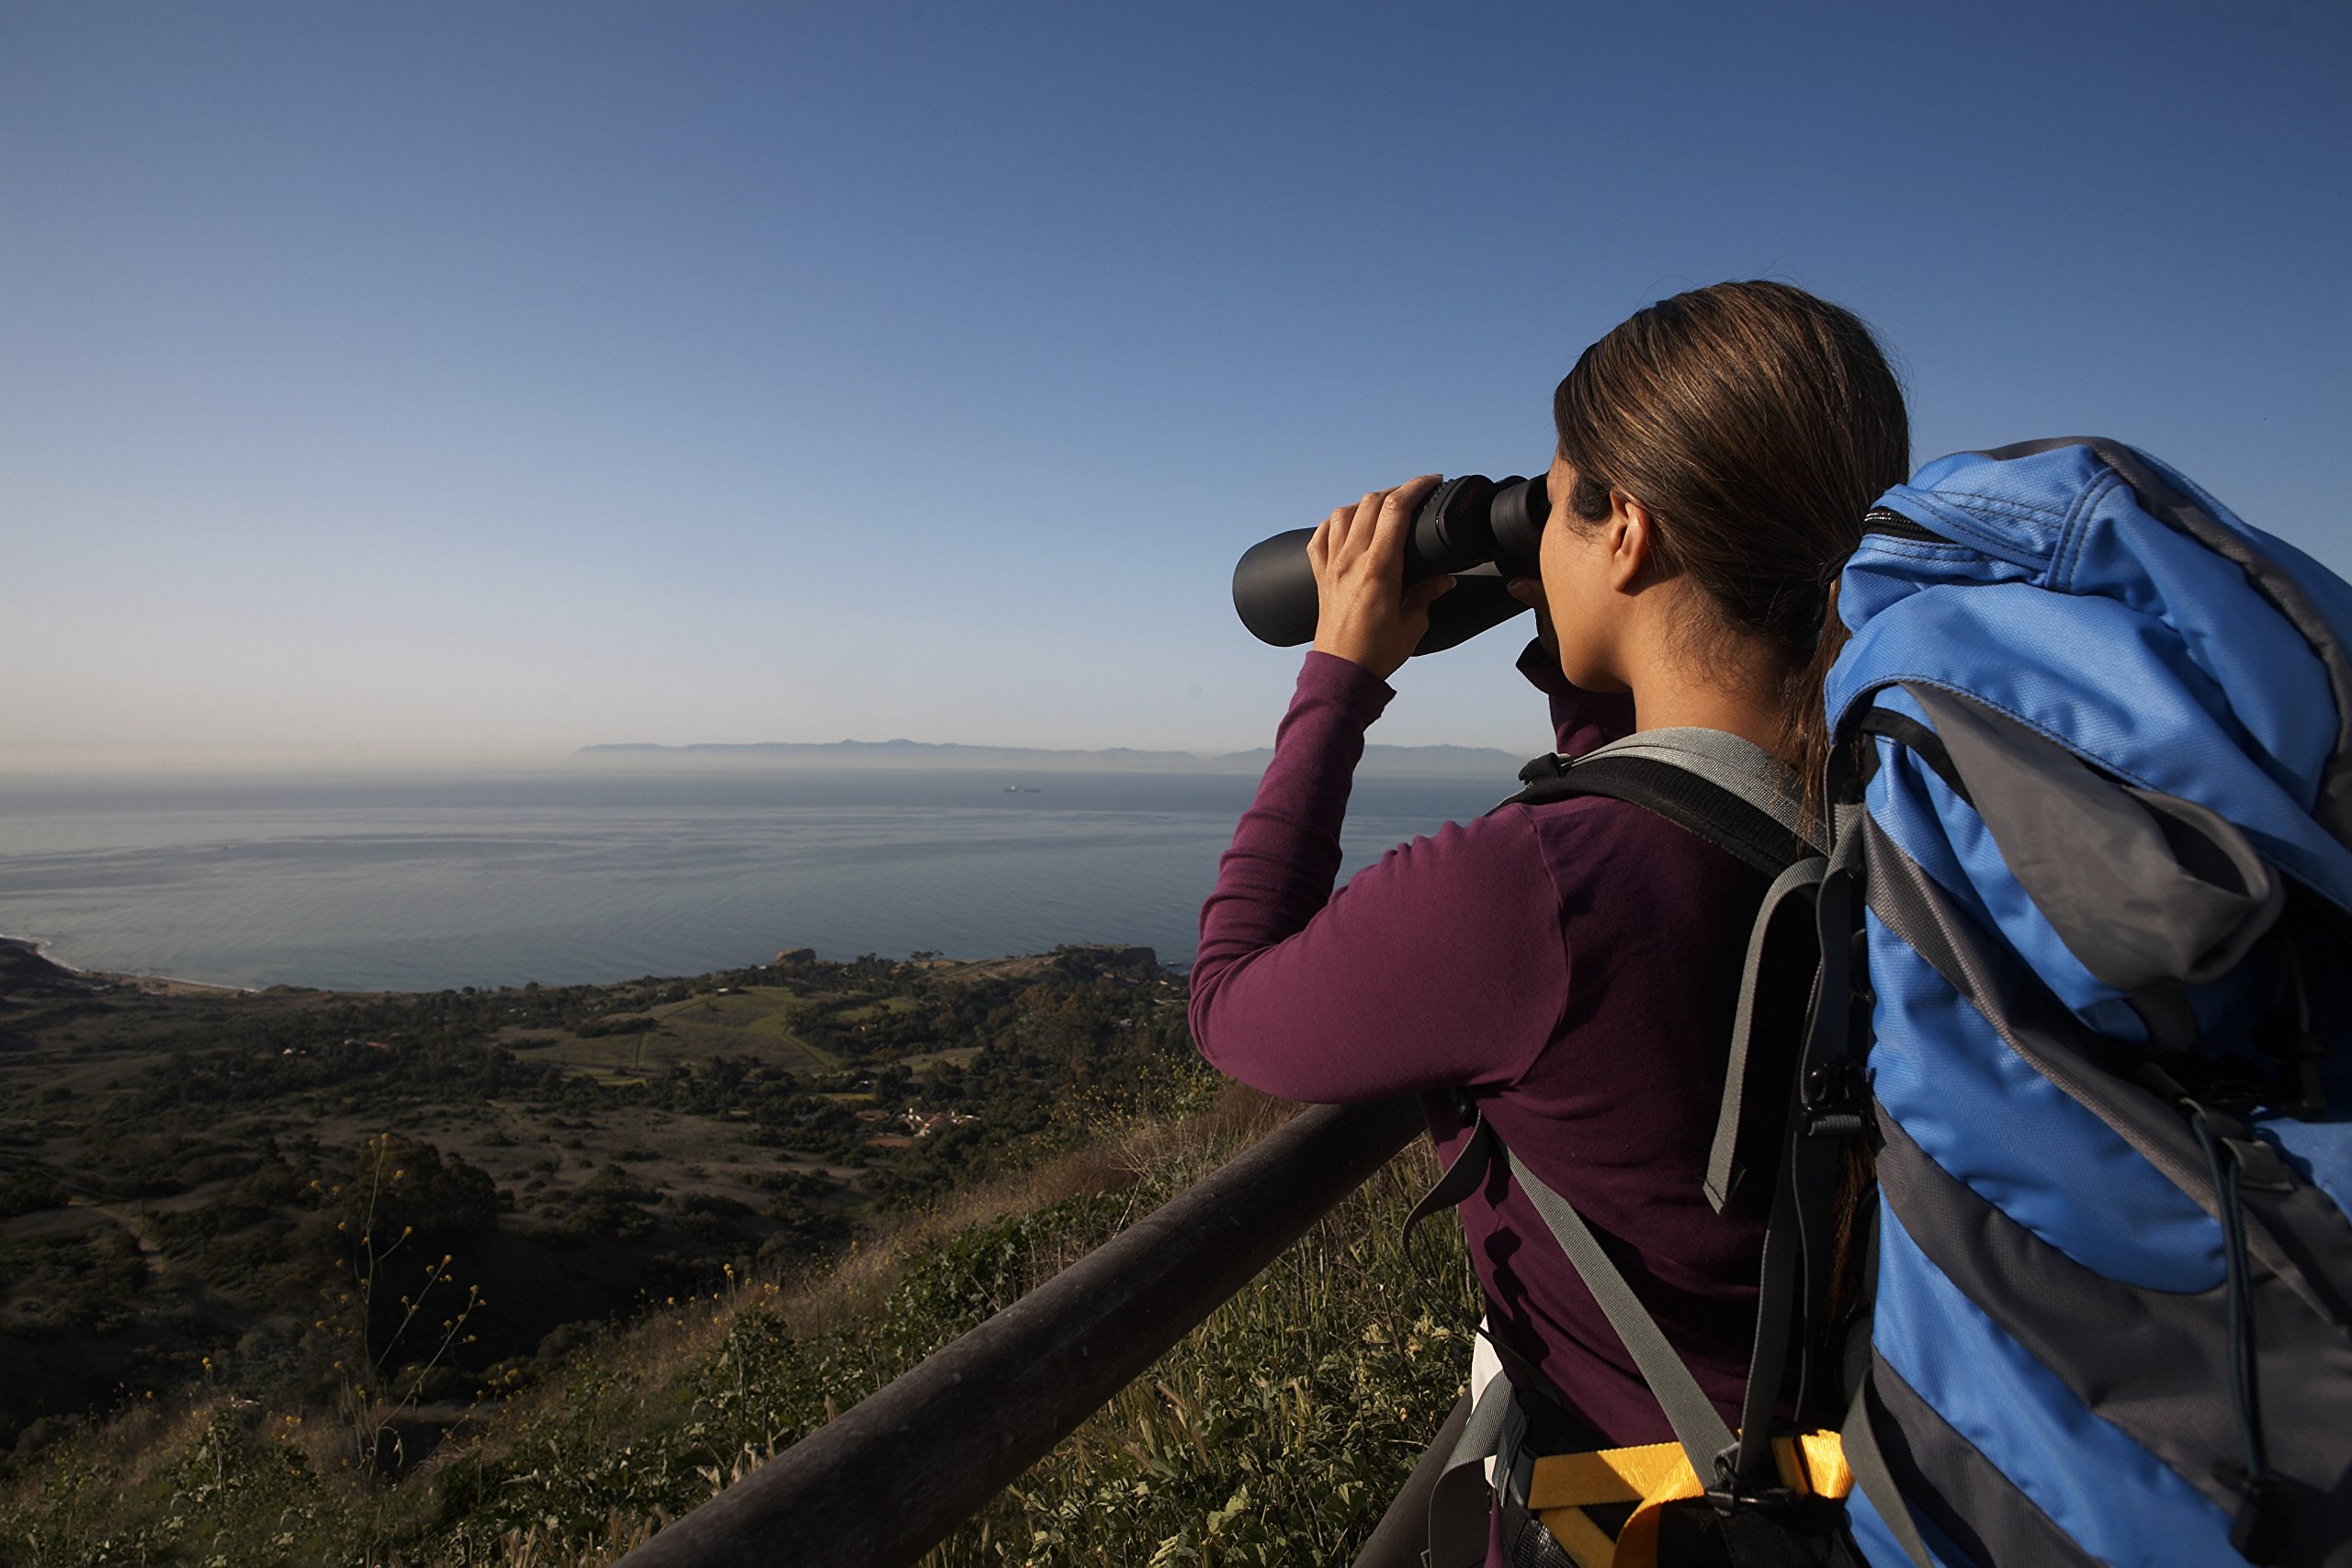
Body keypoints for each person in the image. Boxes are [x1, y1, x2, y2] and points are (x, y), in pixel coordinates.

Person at [1188, 280, 1910, 1563]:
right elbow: (1681, 804)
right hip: (1869, 1487)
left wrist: (1340, 682)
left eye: (1563, 499)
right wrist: (1565, 626)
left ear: (1625, 528)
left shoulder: (1529, 895)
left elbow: (1233, 1010)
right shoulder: (1890, 809)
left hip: (1646, 1519)